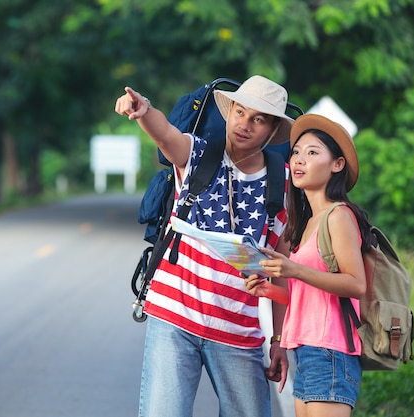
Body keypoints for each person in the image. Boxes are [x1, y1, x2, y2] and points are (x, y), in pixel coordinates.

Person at [115, 75, 293, 417]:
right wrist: (143, 109)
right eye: (240, 112)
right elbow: (165, 134)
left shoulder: (282, 183)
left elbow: (280, 269)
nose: (244, 125)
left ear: (272, 131)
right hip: (174, 316)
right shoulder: (198, 153)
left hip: (238, 331)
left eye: (258, 119)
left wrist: (279, 340)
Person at [244, 113, 372, 417]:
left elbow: (356, 284)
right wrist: (268, 290)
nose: (300, 160)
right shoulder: (308, 222)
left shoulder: (338, 216)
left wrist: (294, 269)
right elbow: (314, 297)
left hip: (330, 352)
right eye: (297, 152)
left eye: (313, 153)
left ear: (337, 165)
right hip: (307, 350)